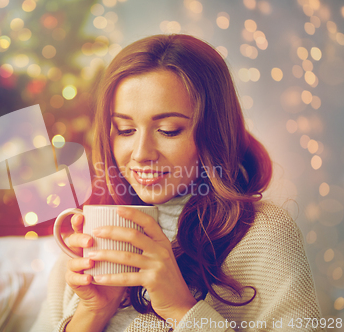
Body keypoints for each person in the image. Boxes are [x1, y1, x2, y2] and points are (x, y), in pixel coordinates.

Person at [31, 34, 323, 331]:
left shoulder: (262, 235)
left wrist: (181, 308)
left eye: (169, 131)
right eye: (125, 129)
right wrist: (93, 312)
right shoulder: (95, 234)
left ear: (213, 131)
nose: (142, 154)